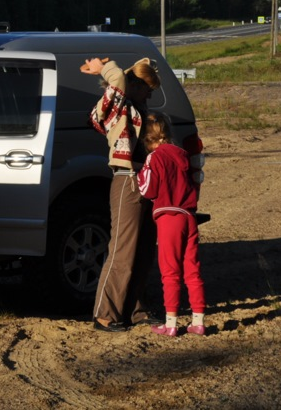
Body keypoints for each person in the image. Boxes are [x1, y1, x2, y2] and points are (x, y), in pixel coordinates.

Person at [83, 56, 162, 332]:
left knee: (142, 251)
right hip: (126, 180)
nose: (150, 94)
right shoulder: (115, 107)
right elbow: (116, 80)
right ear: (133, 84)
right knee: (122, 251)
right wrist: (106, 67)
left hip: (144, 181)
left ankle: (135, 311)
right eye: (147, 88)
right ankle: (105, 315)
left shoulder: (138, 109)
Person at [136, 111, 206, 336]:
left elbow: (148, 190)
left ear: (147, 138)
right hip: (188, 215)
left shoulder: (154, 158)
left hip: (168, 217)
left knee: (170, 272)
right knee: (192, 269)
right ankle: (198, 320)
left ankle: (171, 323)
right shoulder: (183, 155)